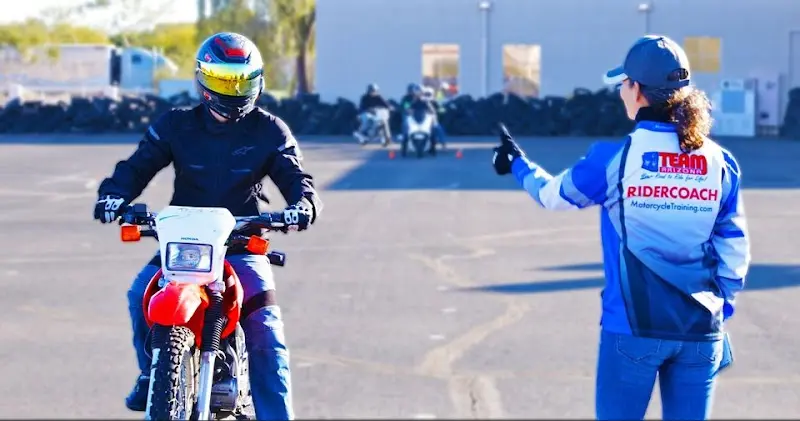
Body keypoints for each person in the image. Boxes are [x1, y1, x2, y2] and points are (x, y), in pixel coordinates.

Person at [491, 35, 750, 420]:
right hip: (701, 333)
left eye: (622, 85)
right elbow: (734, 248)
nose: (619, 94)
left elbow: (550, 194)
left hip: (632, 329)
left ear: (638, 91)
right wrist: (721, 307)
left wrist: (515, 162)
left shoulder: (612, 160)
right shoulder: (720, 162)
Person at [92, 32, 322, 420]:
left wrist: (303, 205)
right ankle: (153, 375)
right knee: (138, 295)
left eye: (242, 80)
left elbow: (297, 177)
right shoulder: (176, 125)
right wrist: (113, 195)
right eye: (223, 79)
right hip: (183, 243)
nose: (233, 89)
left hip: (242, 244)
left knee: (266, 331)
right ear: (203, 80)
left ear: (257, 81)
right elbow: (136, 166)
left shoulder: (270, 130)